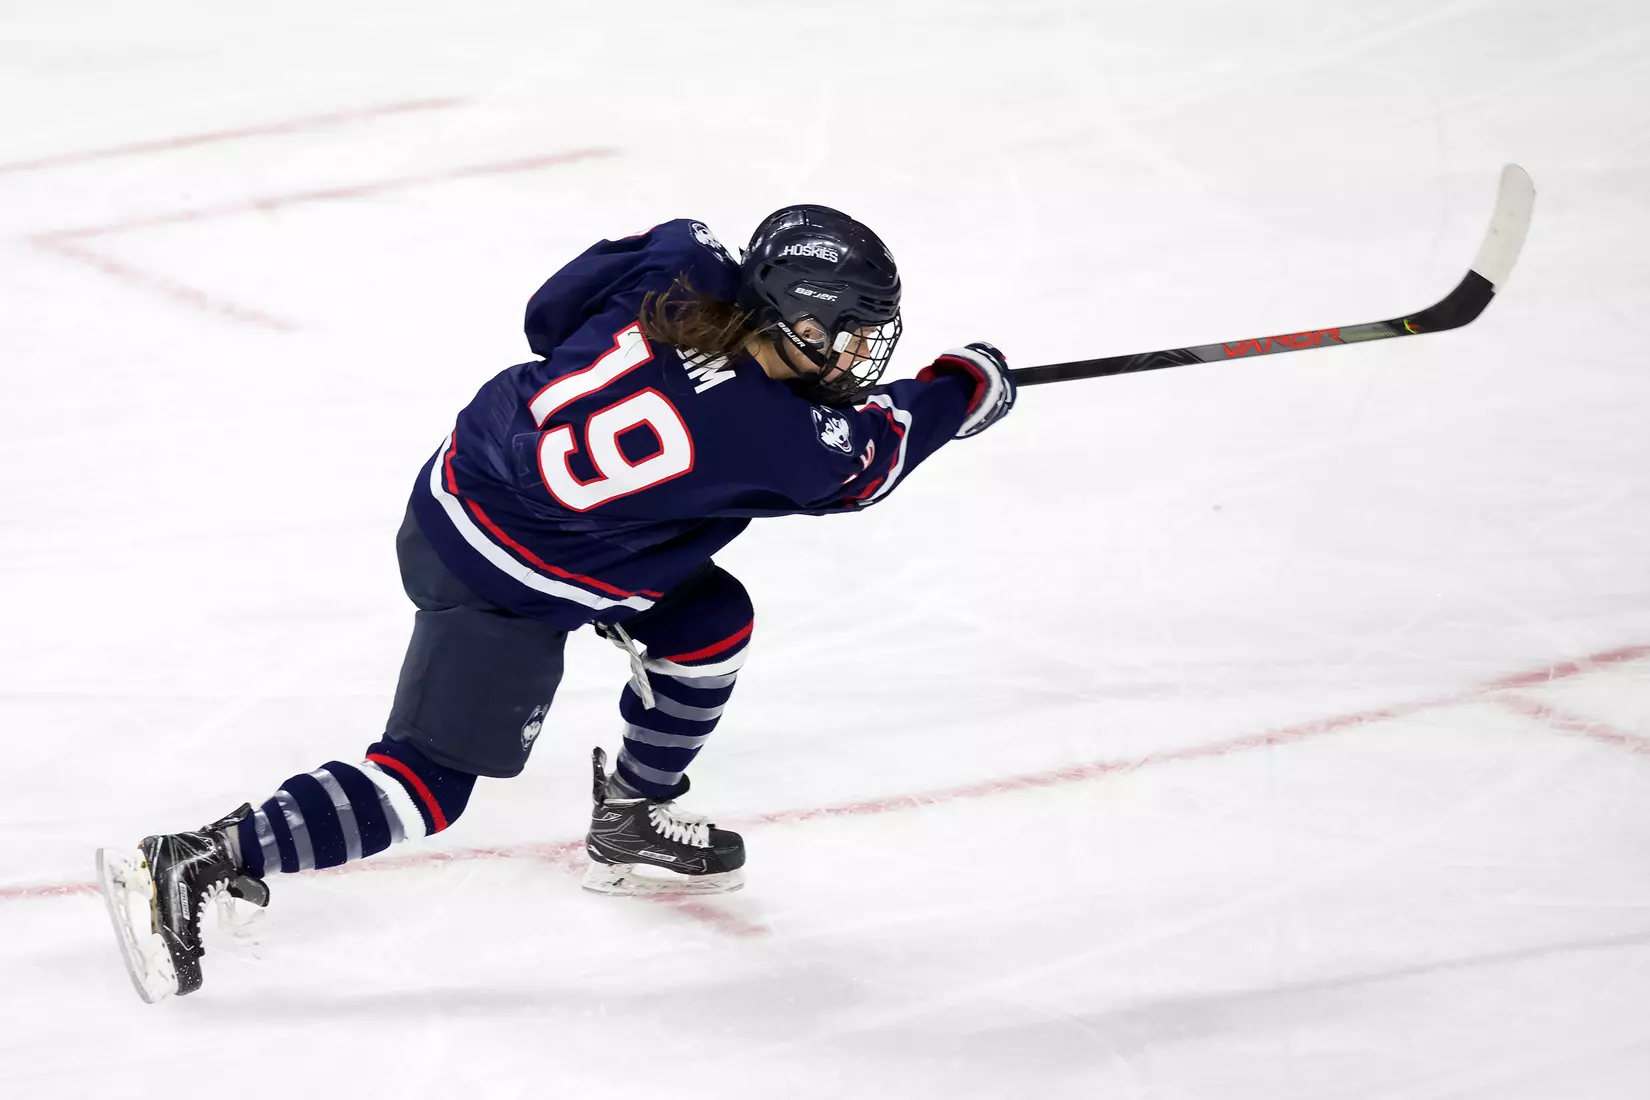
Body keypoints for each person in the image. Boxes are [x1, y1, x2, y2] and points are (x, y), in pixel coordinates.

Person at [95, 205, 1016, 1002]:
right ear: (795, 318)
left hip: (472, 491)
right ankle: (200, 860)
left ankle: (633, 819)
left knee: (708, 624)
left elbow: (548, 317)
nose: (859, 353)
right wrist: (964, 384)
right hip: (504, 581)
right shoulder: (779, 437)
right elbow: (869, 456)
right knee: (426, 784)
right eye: (846, 331)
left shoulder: (681, 262)